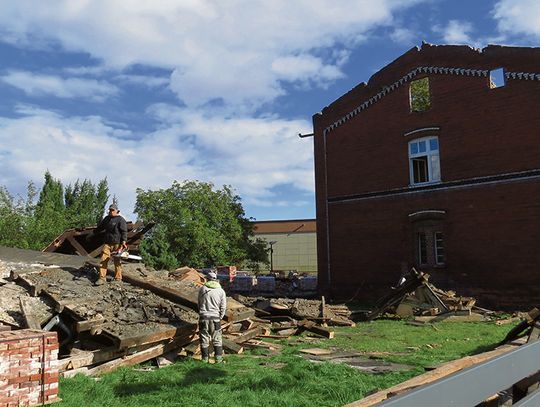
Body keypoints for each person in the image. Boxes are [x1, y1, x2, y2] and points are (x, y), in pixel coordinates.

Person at [94, 204, 128, 285]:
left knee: (117, 261)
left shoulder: (120, 219)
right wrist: (92, 233)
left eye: (112, 210)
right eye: (110, 210)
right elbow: (100, 228)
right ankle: (102, 278)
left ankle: (118, 278)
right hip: (107, 243)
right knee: (103, 260)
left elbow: (124, 231)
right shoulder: (106, 219)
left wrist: (124, 242)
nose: (111, 212)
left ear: (117, 211)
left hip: (117, 244)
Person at [198, 271, 227, 363]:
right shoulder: (221, 291)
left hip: (204, 317)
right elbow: (223, 307)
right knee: (217, 339)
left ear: (207, 279)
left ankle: (204, 359)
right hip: (215, 318)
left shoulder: (202, 289)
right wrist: (220, 317)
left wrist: (202, 313)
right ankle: (218, 359)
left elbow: (199, 303)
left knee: (204, 338)